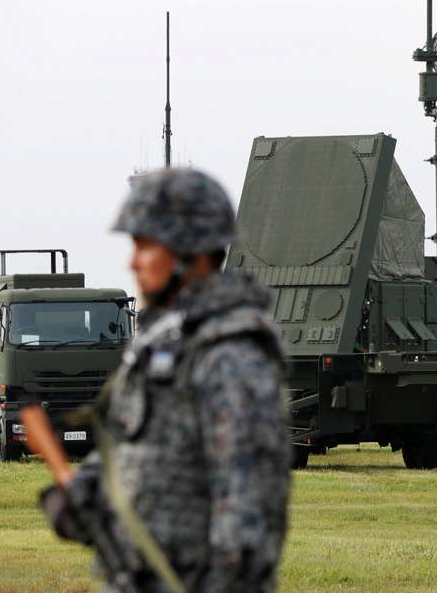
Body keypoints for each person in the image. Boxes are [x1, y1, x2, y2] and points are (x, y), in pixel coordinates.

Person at [40, 168, 291, 592]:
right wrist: (83, 497)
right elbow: (131, 454)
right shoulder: (160, 345)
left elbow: (248, 528)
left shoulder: (229, 357)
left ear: (191, 254)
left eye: (145, 246)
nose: (132, 262)